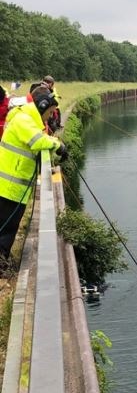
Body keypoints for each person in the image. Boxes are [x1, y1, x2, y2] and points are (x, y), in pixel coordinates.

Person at [0, 85, 67, 263]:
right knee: (6, 228)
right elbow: (37, 140)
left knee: (9, 227)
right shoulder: (23, 119)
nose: (51, 116)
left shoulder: (27, 118)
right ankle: (1, 263)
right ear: (43, 106)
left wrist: (54, 141)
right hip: (9, 187)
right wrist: (58, 145)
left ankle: (3, 259)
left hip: (13, 186)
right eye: (51, 111)